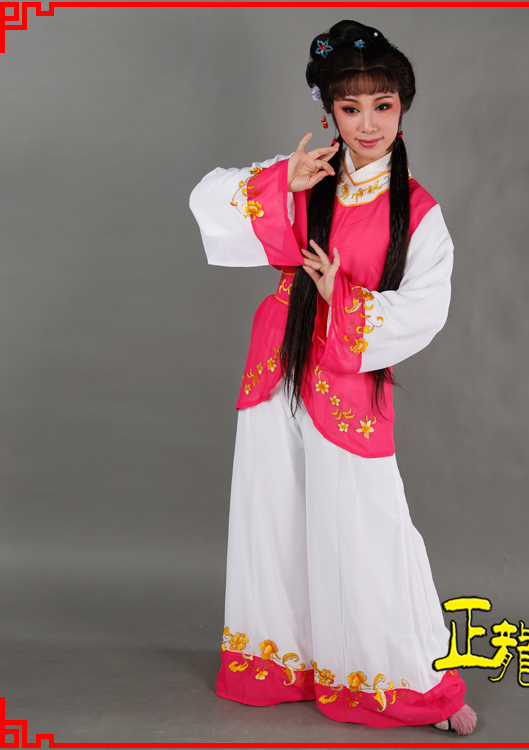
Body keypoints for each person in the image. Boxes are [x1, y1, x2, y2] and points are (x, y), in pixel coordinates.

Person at [188, 19, 477, 736]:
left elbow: (425, 310)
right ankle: (288, 665)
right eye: (351, 108)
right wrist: (276, 183)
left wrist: (340, 298)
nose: (368, 124)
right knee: (275, 518)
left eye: (383, 105)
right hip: (275, 369)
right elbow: (206, 201)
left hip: (346, 380)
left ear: (403, 108)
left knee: (367, 528)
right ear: (329, 112)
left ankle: (407, 681)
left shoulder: (419, 213)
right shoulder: (307, 174)